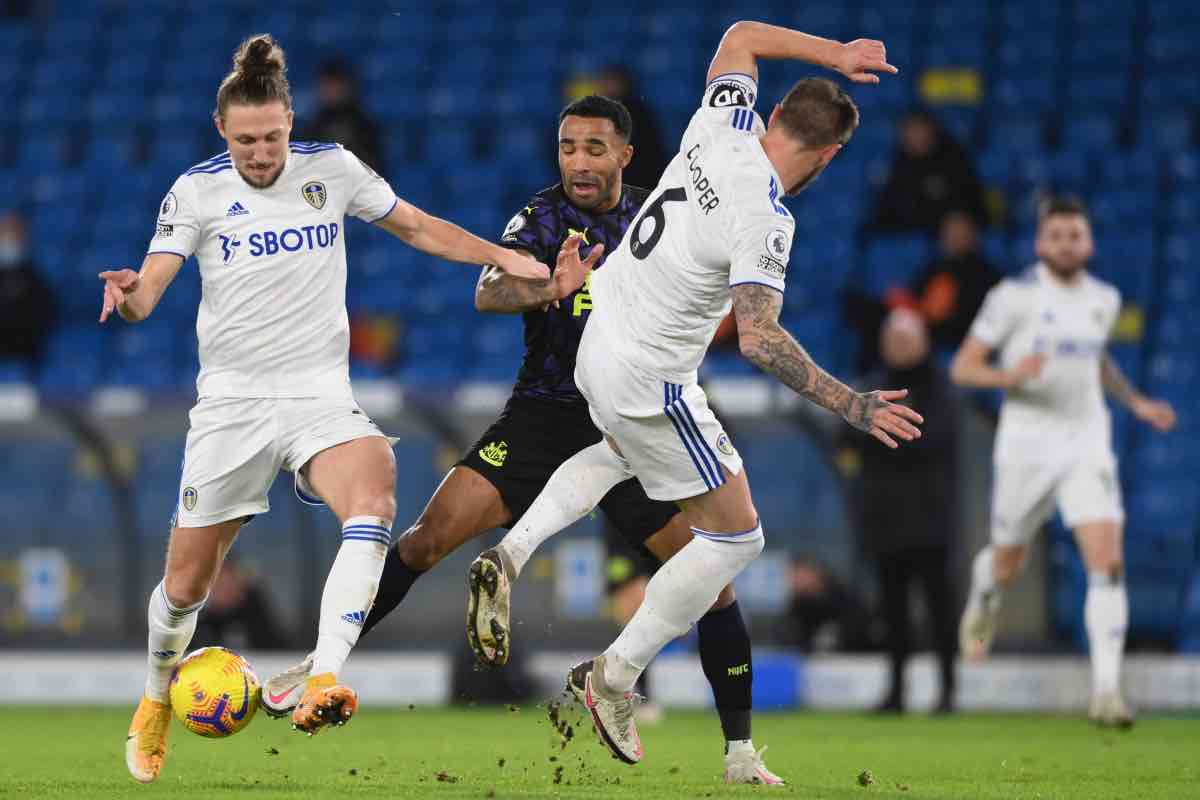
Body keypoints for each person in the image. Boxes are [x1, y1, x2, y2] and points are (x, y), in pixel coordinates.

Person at [263, 93, 777, 785]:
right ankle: (324, 666)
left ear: (625, 154)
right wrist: (547, 287)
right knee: (422, 540)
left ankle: (740, 753)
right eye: (568, 147)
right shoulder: (542, 218)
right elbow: (487, 292)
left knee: (712, 581)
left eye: (595, 148)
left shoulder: (660, 212)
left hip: (629, 425)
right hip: (545, 416)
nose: (579, 162)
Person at [103, 34, 563, 784]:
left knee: (376, 486)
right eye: (246, 140)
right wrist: (129, 298)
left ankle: (324, 678)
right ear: (223, 130)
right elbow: (151, 288)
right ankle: (156, 699)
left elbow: (416, 225)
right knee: (186, 585)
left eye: (272, 137)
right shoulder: (196, 191)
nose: (260, 153)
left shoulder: (333, 169)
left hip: (321, 395)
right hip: (234, 406)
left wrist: (503, 256)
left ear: (291, 122)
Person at [466, 20, 922, 768]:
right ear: (832, 155)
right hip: (652, 377)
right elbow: (760, 337)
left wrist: (834, 55)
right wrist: (854, 404)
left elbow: (741, 33)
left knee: (615, 450)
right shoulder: (768, 219)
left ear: (774, 115)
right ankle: (614, 676)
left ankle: (511, 554)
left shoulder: (724, 123)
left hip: (597, 338)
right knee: (739, 538)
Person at [953, 196, 1178, 728]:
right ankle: (984, 593)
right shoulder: (1012, 297)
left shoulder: (1104, 298)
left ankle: (1106, 692)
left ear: (1089, 242)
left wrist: (1136, 401)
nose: (1066, 244)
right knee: (1009, 562)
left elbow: (1096, 360)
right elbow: (964, 368)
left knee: (1108, 562)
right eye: (1056, 235)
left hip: (1086, 443)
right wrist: (1011, 377)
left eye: (1075, 235)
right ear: (1039, 243)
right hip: (1026, 447)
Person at [844, 310, 959, 713]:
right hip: (885, 517)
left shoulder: (941, 387)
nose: (899, 347)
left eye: (907, 338)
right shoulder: (872, 386)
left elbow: (935, 439)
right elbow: (847, 437)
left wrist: (883, 439)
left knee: (939, 606)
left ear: (924, 341)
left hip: (930, 518)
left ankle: (948, 689)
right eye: (893, 339)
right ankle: (896, 690)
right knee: (892, 610)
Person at [869, 109, 987, 233]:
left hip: (942, 232)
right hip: (907, 233)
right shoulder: (898, 162)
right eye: (909, 131)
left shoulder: (953, 159)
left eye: (918, 130)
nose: (913, 136)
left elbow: (967, 201)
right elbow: (887, 207)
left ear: (931, 130)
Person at [593, 65, 671, 190]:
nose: (606, 86)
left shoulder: (639, 114)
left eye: (611, 81)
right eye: (605, 81)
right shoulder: (598, 113)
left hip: (640, 184)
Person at [190, 555, 292, 650]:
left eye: (229, 584)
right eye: (218, 585)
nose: (224, 590)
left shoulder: (256, 612)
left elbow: (277, 649)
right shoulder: (196, 618)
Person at [303, 58, 383, 174]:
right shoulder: (313, 126)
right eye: (327, 85)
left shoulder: (364, 126)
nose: (331, 91)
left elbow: (375, 169)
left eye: (335, 85)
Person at [0, 211, 55, 368]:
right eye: (4, 235)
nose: (7, 241)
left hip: (26, 352)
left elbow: (44, 314)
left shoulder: (34, 278)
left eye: (12, 235)